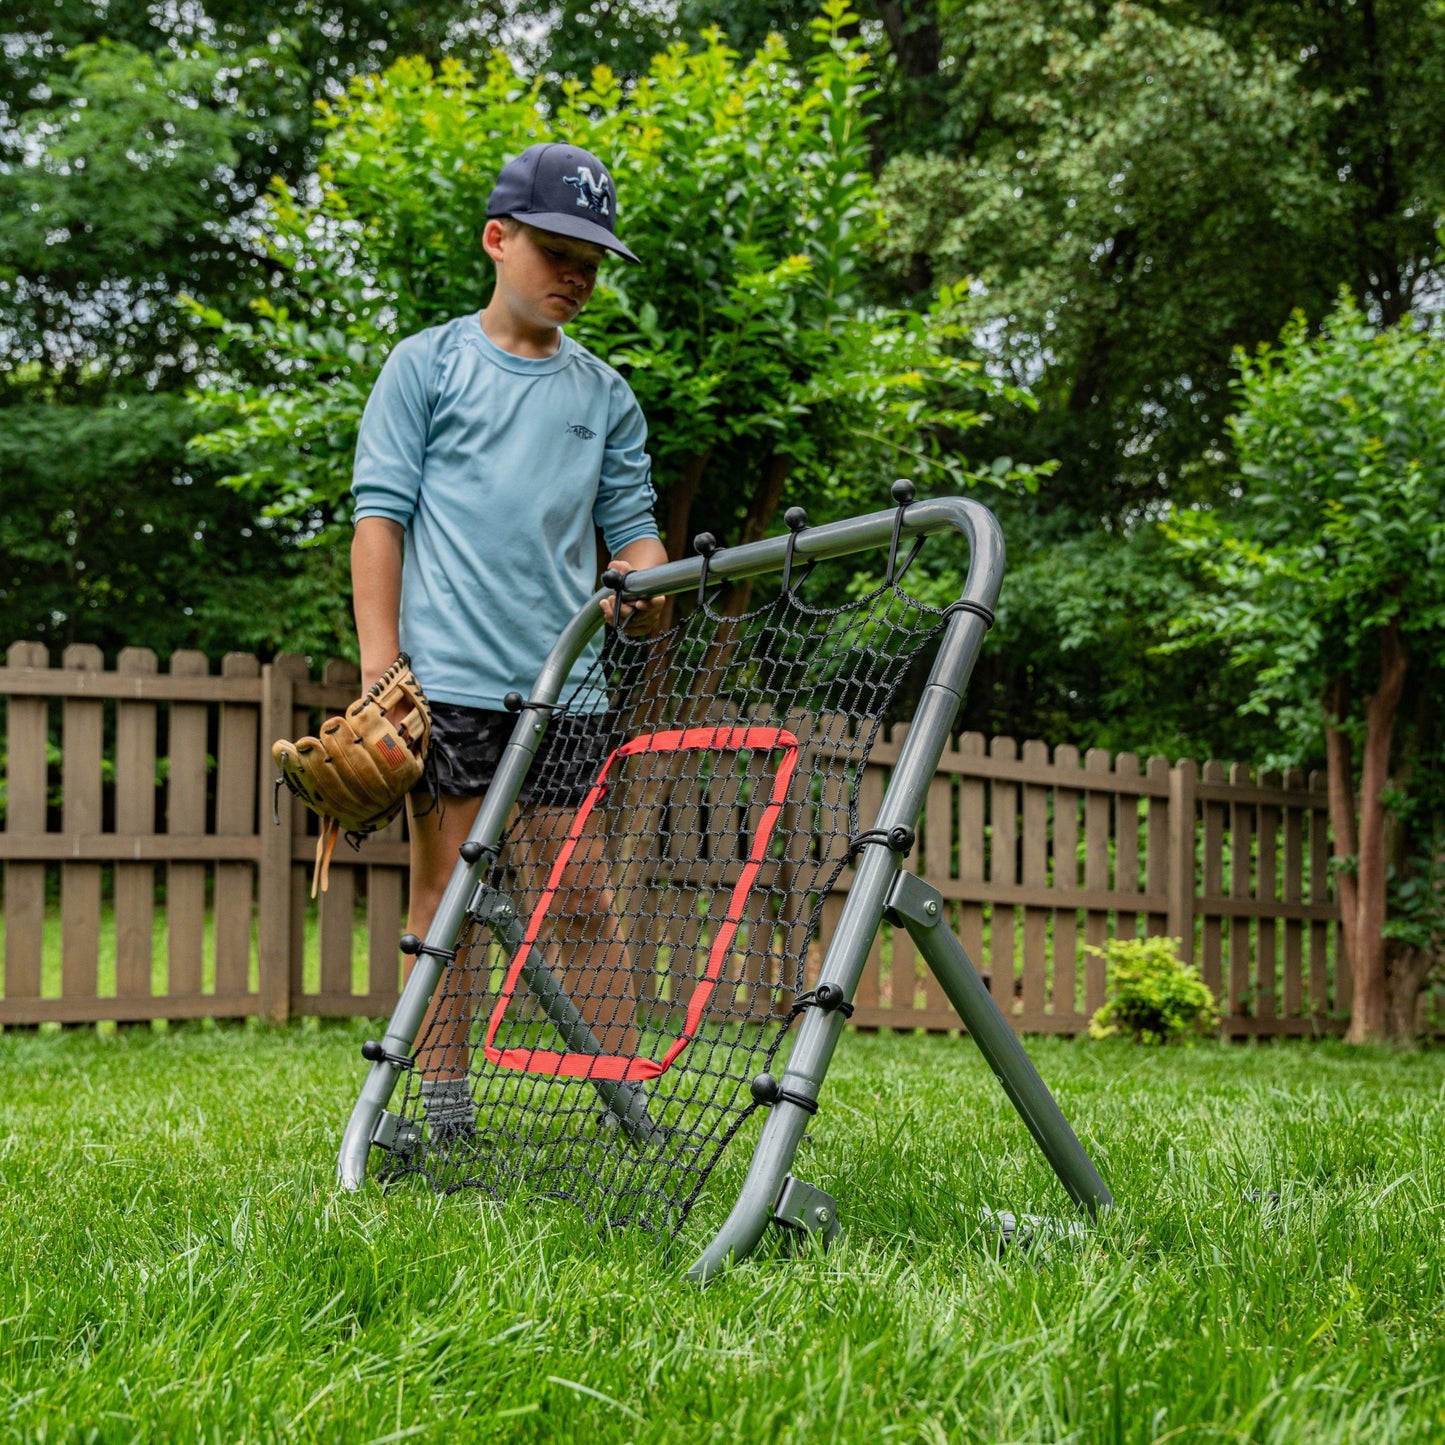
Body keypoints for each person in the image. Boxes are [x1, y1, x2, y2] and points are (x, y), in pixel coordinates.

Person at [349, 142, 668, 1141]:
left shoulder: (605, 396)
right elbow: (378, 518)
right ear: (497, 239)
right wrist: (380, 668)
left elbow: (636, 535)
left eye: (591, 260)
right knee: (447, 895)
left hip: (563, 687)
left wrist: (641, 586)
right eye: (554, 250)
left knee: (581, 897)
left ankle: (628, 1109)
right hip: (443, 683)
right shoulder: (427, 365)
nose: (575, 274)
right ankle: (445, 1111)